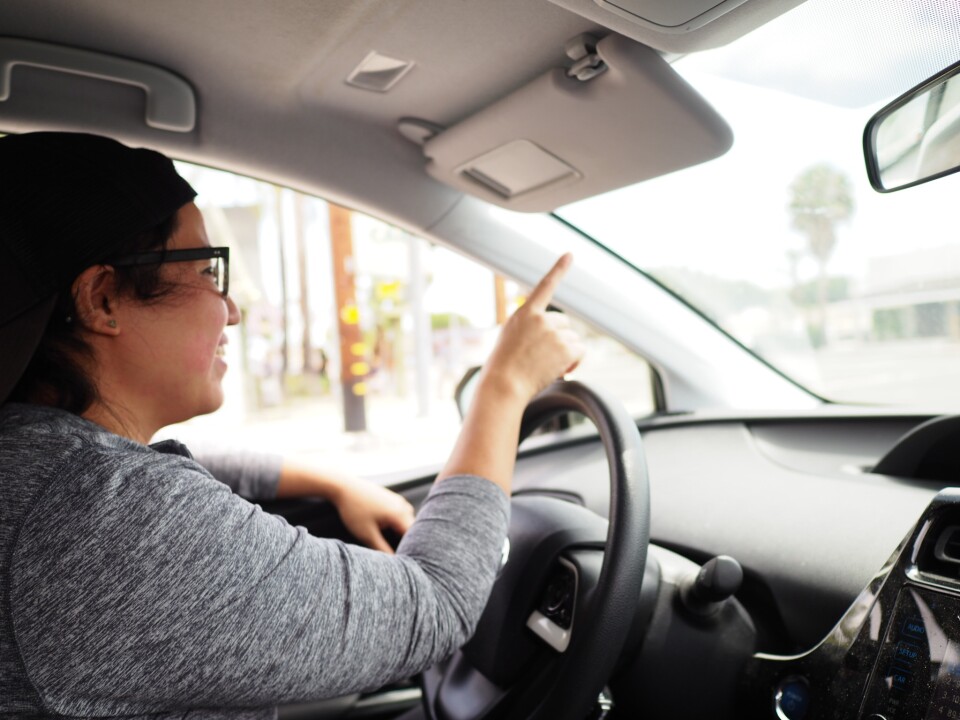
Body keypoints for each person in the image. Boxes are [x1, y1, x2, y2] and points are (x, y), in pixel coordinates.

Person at [0, 132, 584, 718]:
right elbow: (436, 606)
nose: (231, 310)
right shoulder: (100, 515)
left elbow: (200, 464)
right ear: (102, 299)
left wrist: (332, 482)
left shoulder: (41, 463)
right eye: (206, 270)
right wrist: (504, 386)